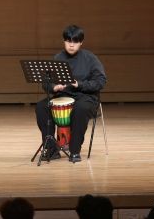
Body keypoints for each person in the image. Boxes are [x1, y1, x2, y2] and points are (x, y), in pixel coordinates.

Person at [35, 25, 106, 163]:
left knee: (80, 109)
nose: (71, 45)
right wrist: (54, 87)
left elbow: (101, 81)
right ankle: (51, 150)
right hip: (62, 96)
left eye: (75, 41)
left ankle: (75, 151)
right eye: (68, 41)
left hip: (86, 97)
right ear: (64, 41)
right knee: (41, 107)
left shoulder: (90, 58)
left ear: (81, 42)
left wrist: (80, 84)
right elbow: (46, 82)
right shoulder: (58, 57)